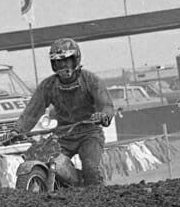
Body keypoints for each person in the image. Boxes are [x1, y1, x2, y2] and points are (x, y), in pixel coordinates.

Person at [10, 37, 115, 187]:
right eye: (58, 61)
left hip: (89, 133)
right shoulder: (48, 85)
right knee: (45, 158)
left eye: (66, 60)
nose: (62, 64)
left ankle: (98, 201)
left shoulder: (90, 80)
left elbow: (106, 105)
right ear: (53, 64)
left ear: (75, 60)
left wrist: (103, 115)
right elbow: (32, 111)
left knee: (91, 169)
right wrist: (17, 130)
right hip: (63, 135)